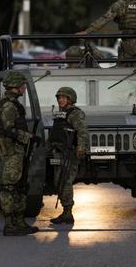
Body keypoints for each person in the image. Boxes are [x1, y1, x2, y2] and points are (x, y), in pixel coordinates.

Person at [0, 70, 39, 236]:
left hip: (17, 150)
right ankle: (10, 225)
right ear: (16, 86)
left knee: (20, 186)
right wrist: (29, 137)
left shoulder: (12, 104)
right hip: (12, 150)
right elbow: (8, 129)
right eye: (22, 85)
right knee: (10, 187)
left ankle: (19, 222)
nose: (24, 88)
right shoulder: (8, 105)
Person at [48, 87, 88, 225]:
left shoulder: (75, 113)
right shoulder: (61, 114)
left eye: (63, 98)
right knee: (59, 181)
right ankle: (65, 212)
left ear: (70, 99)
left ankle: (67, 213)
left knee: (65, 181)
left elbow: (82, 131)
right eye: (59, 98)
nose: (60, 100)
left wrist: (81, 148)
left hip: (69, 153)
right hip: (59, 152)